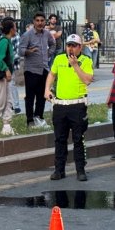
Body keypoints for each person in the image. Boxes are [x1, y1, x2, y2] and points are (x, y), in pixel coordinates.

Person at [44, 34, 94, 181]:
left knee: (78, 139)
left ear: (80, 47)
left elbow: (87, 80)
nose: (70, 48)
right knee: (60, 139)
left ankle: (80, 170)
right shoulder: (59, 59)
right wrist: (47, 88)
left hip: (77, 105)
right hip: (60, 106)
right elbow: (52, 74)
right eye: (68, 45)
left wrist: (75, 65)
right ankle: (59, 170)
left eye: (74, 45)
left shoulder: (86, 60)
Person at [19, 12, 55, 129]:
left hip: (44, 69)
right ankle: (30, 120)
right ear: (34, 22)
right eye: (37, 20)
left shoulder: (47, 34)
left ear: (45, 22)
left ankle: (39, 117)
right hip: (31, 70)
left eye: (42, 21)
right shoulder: (27, 35)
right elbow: (20, 51)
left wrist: (48, 54)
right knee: (30, 97)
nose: (40, 23)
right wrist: (30, 51)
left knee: (42, 95)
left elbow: (53, 44)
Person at [8, 18, 22, 114]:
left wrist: (10, 59)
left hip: (11, 64)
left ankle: (16, 106)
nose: (15, 28)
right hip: (4, 64)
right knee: (6, 86)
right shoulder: (3, 37)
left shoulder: (16, 37)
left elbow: (19, 52)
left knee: (11, 84)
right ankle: (9, 105)